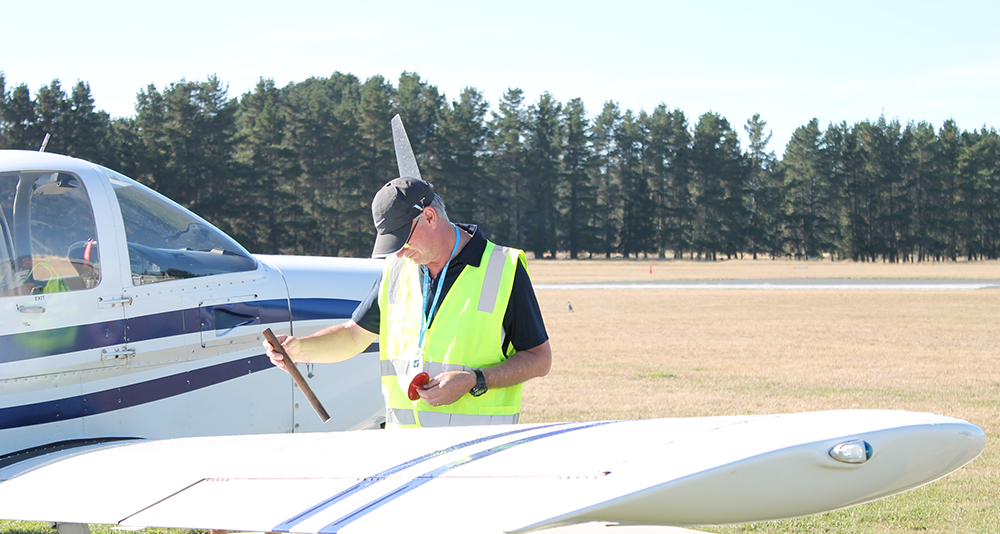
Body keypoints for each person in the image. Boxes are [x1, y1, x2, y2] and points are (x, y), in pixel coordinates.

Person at [264, 177, 551, 428]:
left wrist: (474, 381)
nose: (400, 253)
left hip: (475, 454)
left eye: (403, 240)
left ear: (429, 217)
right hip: (406, 453)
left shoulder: (504, 267)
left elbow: (539, 359)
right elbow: (354, 336)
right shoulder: (396, 270)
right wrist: (299, 349)